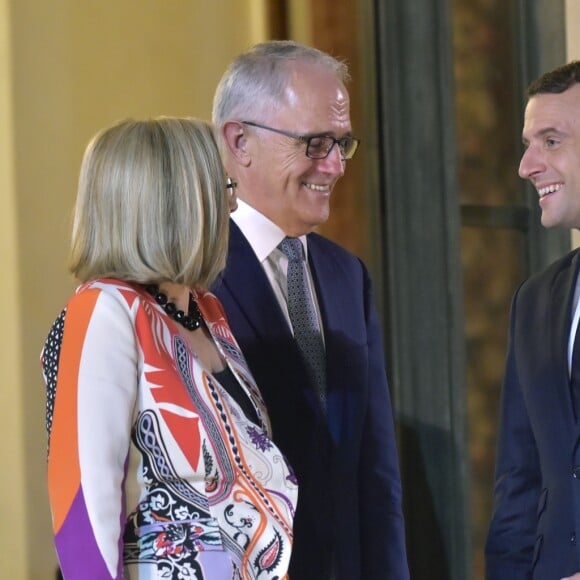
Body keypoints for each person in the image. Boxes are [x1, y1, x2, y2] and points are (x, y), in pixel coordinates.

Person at [42, 117, 297, 579]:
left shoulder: (207, 310)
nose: (233, 203)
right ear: (176, 202)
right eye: (222, 187)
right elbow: (83, 508)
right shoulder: (102, 311)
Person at [211, 40, 409, 579]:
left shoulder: (348, 276)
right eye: (316, 143)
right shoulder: (191, 274)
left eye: (342, 143)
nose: (336, 166)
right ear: (240, 141)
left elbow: (376, 472)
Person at [485, 61, 580, 580]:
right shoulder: (536, 300)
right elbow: (519, 482)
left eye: (550, 140)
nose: (526, 165)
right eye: (528, 142)